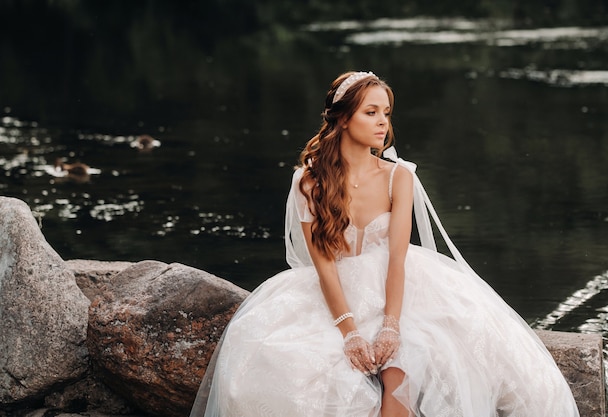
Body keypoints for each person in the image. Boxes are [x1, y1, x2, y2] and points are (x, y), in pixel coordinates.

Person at [189, 71, 580, 417]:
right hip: (336, 295)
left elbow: (397, 257)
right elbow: (322, 263)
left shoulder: (398, 177)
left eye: (386, 113)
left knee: (402, 386)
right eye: (370, 112)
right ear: (342, 118)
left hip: (402, 292)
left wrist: (391, 326)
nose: (382, 123)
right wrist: (349, 332)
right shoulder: (308, 181)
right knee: (283, 370)